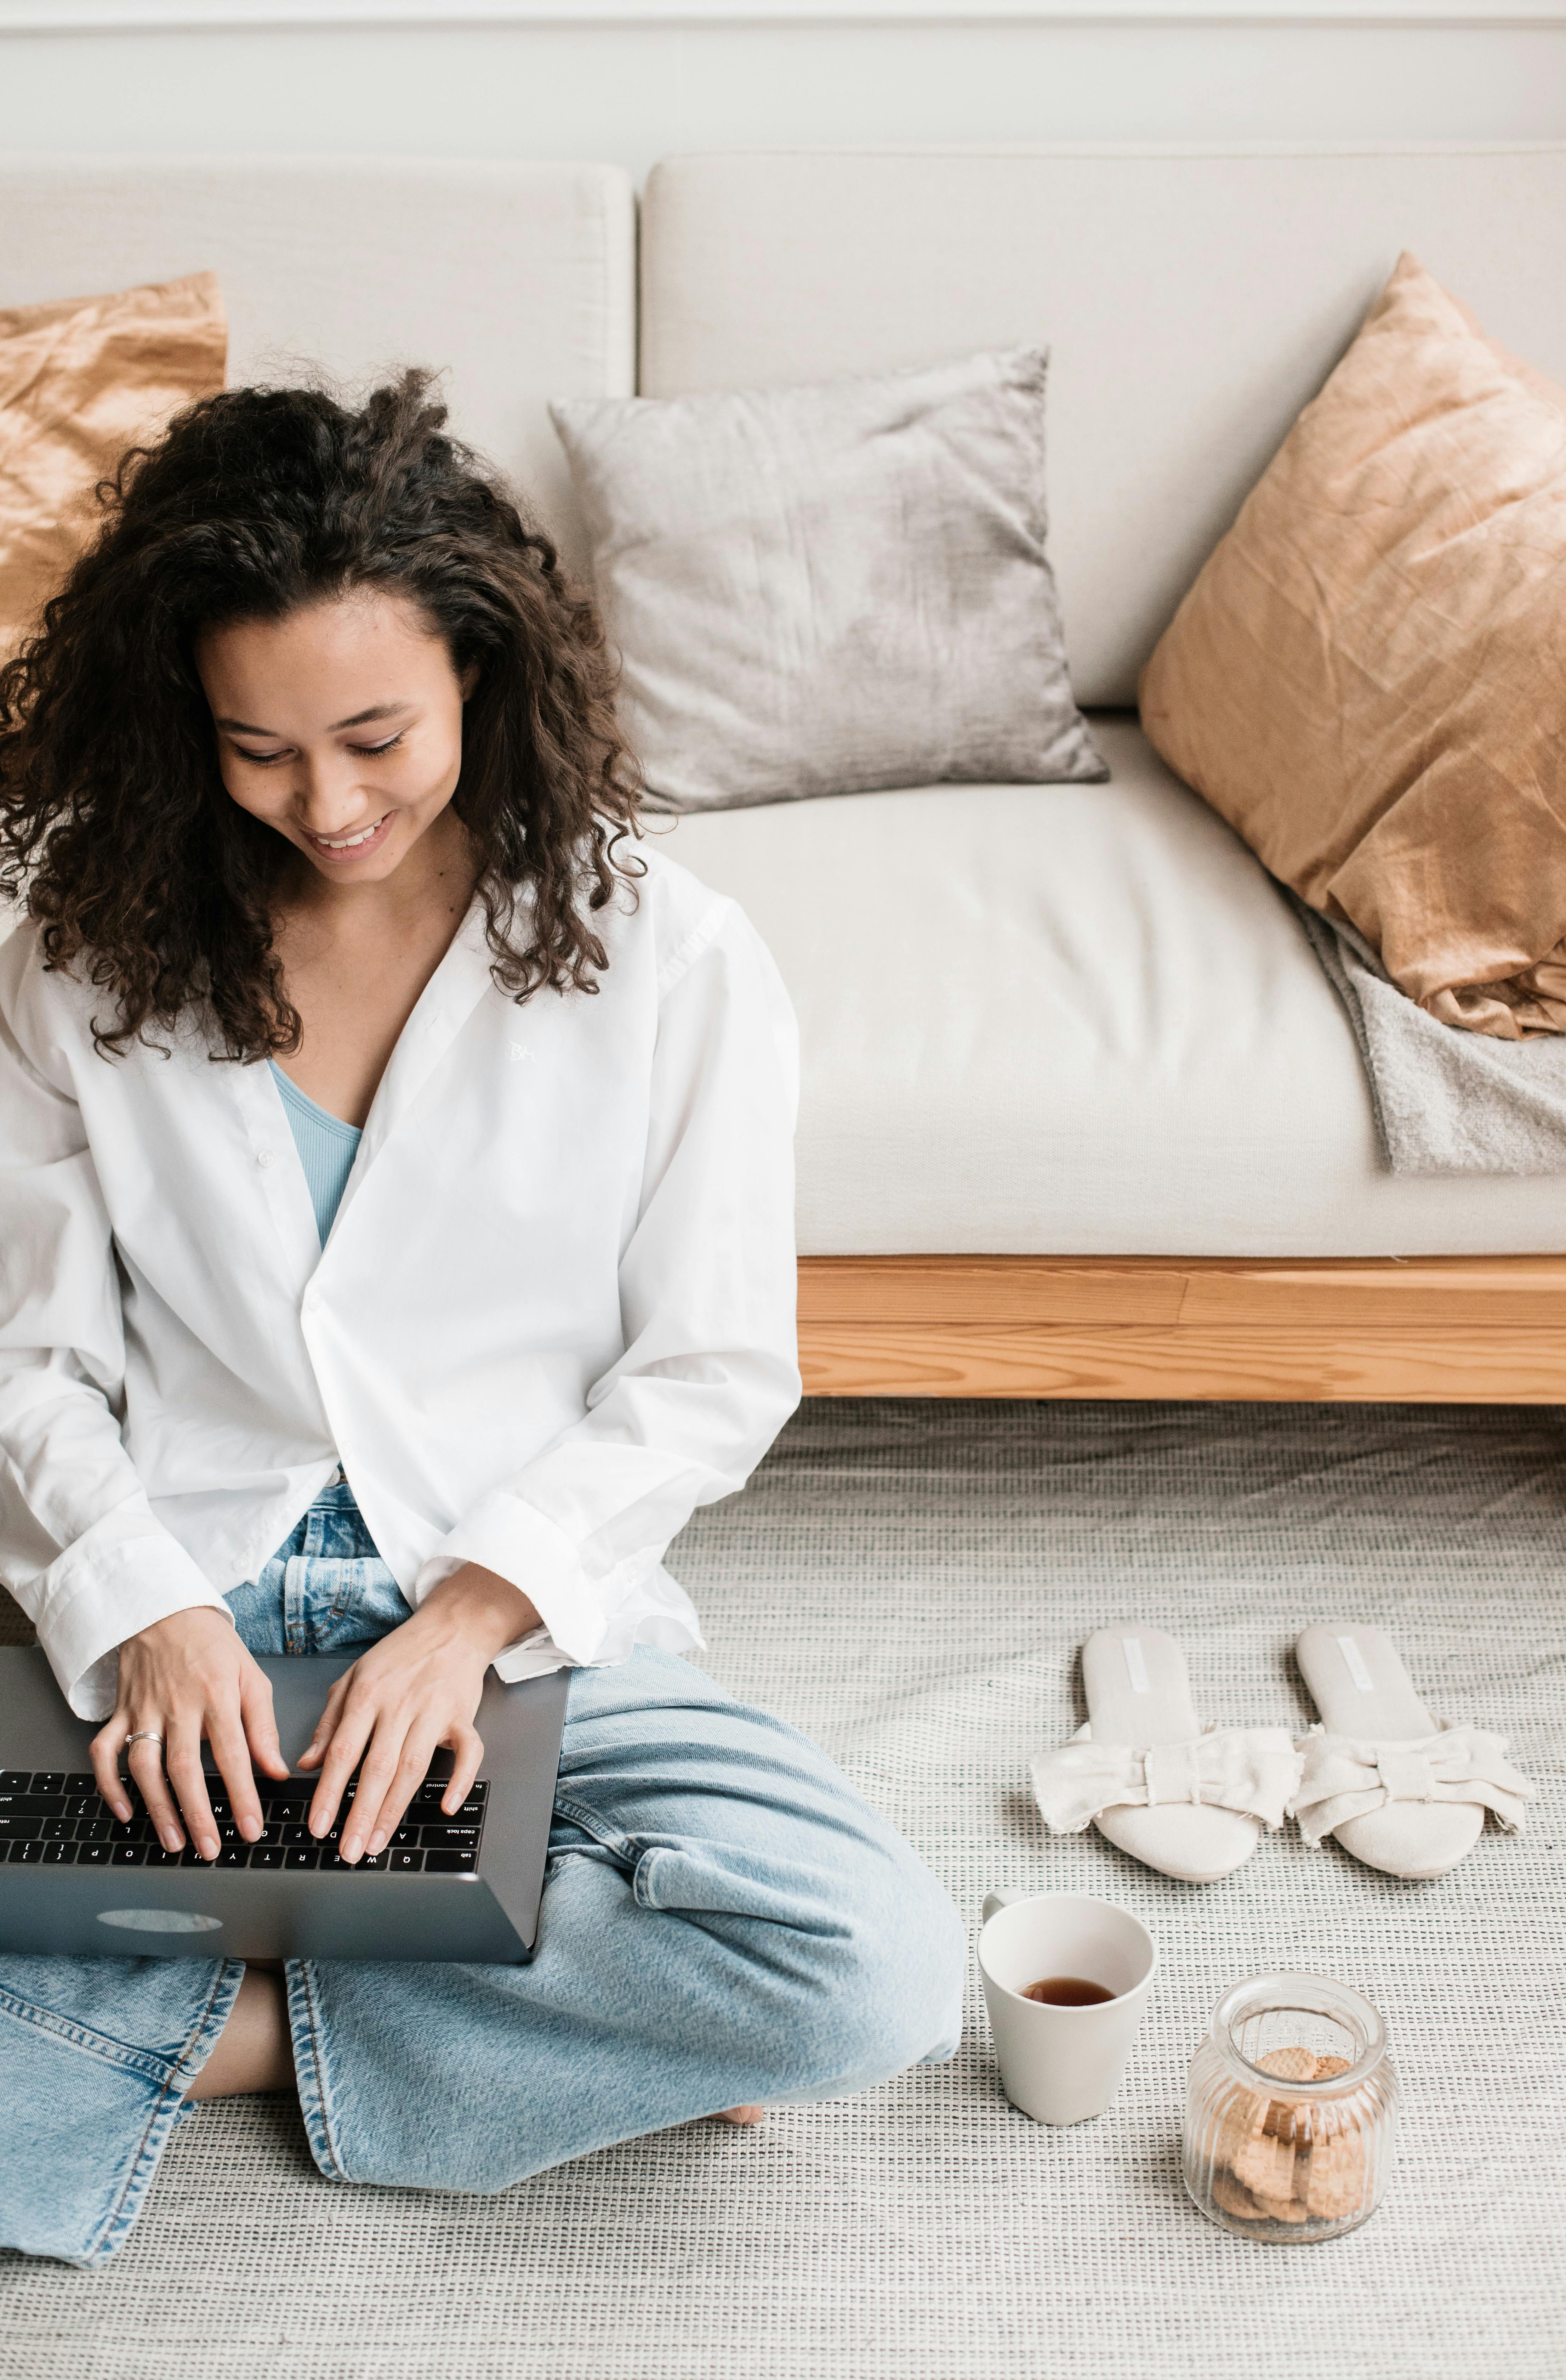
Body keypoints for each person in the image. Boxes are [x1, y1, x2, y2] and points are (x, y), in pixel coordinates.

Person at [0, 375, 964, 2268]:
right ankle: (534, 2011)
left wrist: (469, 1617)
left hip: (516, 1635)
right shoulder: (71, 937)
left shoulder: (672, 960)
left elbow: (707, 1373)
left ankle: (241, 2029)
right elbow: (29, 1351)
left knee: (878, 1969)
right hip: (173, 1608)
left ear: (482, 671)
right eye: (257, 751)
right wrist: (145, 1605)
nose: (329, 805)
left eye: (375, 736)